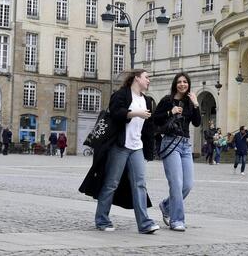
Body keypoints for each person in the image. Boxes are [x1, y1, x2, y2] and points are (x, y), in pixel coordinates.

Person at [80, 69, 159, 234]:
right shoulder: (122, 94)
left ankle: (144, 224)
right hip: (120, 146)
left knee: (140, 184)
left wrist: (149, 152)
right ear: (137, 78)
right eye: (146, 78)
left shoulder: (148, 100)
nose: (149, 81)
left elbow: (149, 128)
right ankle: (102, 220)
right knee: (111, 183)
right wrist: (135, 113)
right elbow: (115, 113)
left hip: (137, 147)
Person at [153, 72, 201, 232]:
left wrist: (195, 104)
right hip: (170, 143)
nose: (182, 84)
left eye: (185, 82)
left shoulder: (189, 102)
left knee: (187, 185)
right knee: (176, 183)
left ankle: (166, 206)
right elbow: (155, 118)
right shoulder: (167, 100)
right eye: (179, 82)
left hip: (185, 145)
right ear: (175, 84)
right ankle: (177, 220)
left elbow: (196, 122)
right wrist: (170, 112)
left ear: (188, 84)